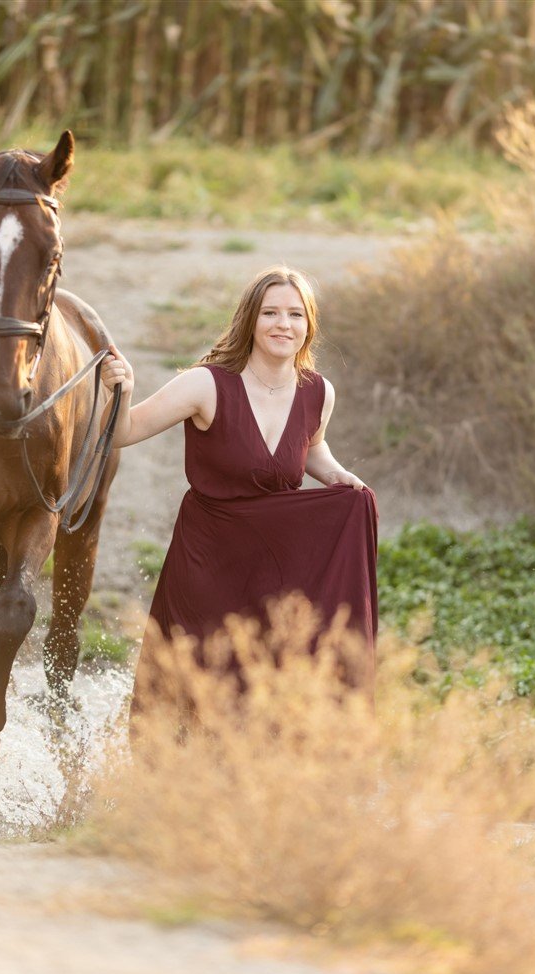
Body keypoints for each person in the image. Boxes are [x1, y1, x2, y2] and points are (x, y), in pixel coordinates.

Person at [102, 266, 378, 707]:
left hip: (274, 566)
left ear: (309, 325)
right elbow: (125, 432)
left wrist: (338, 476)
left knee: (261, 685)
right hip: (207, 564)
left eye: (295, 314)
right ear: (251, 318)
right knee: (196, 682)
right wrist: (125, 391)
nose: (282, 325)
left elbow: (311, 447)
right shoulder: (206, 384)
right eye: (270, 313)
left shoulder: (318, 392)